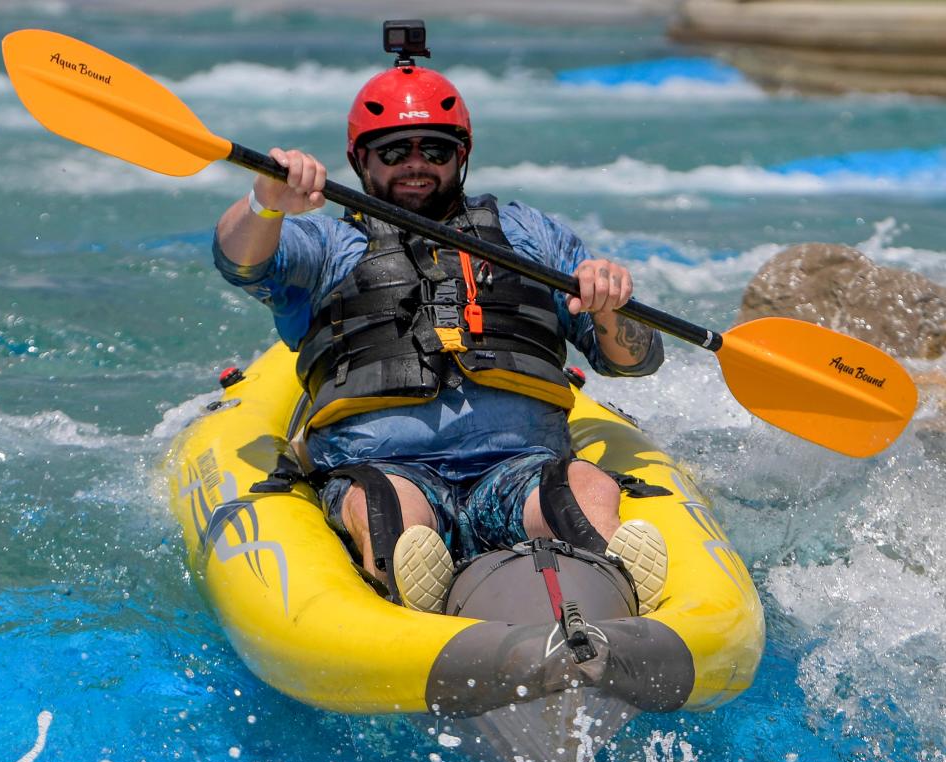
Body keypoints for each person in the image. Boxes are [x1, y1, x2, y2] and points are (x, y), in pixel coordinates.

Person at [213, 48, 668, 616]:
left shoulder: (529, 234)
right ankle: (415, 601)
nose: (416, 163)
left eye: (435, 148)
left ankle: (614, 582)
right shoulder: (327, 245)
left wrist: (609, 307)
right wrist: (265, 202)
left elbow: (633, 361)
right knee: (391, 512)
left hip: (519, 466)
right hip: (387, 468)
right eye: (394, 151)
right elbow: (239, 262)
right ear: (360, 159)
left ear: (462, 155)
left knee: (582, 487)